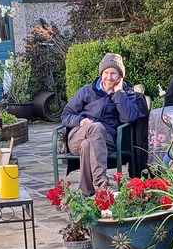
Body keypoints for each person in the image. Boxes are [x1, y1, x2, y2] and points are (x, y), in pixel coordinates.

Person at [61, 53, 148, 195]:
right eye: (106, 73)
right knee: (94, 128)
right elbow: (66, 114)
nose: (109, 77)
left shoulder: (127, 94)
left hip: (106, 142)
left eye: (113, 73)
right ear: (101, 73)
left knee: (87, 145)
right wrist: (80, 121)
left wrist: (119, 93)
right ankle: (102, 182)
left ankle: (87, 193)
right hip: (78, 136)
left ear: (120, 76)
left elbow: (129, 117)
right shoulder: (86, 91)